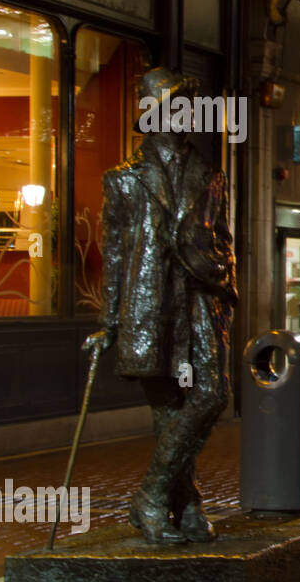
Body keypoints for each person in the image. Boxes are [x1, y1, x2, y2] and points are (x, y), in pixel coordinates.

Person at [82, 68, 236, 544]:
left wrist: (223, 283)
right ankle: (185, 506)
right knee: (168, 409)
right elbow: (115, 254)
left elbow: (226, 244)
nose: (186, 113)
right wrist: (108, 322)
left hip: (199, 302)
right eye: (176, 104)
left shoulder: (210, 176)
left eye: (189, 105)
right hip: (151, 306)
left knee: (212, 393)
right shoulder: (124, 182)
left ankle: (149, 497)